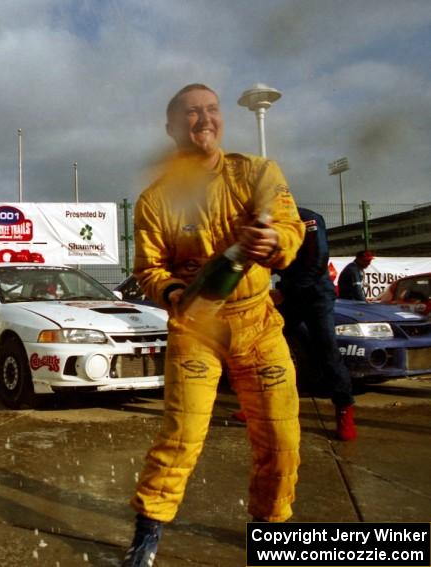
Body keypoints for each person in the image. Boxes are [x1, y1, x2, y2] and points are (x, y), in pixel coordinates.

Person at [123, 84, 305, 566]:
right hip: (195, 328)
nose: (203, 120)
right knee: (182, 437)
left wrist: (272, 240)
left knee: (282, 440)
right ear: (171, 127)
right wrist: (174, 292)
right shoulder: (156, 199)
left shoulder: (257, 173)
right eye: (190, 113)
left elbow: (291, 228)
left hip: (258, 324)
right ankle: (146, 537)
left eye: (211, 110)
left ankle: (272, 534)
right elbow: (148, 269)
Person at [274, 208, 356, 441]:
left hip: (316, 295)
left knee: (328, 352)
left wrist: (286, 291)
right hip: (289, 294)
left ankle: (344, 409)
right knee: (265, 348)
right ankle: (261, 406)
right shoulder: (266, 219)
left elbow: (317, 260)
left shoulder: (308, 217)